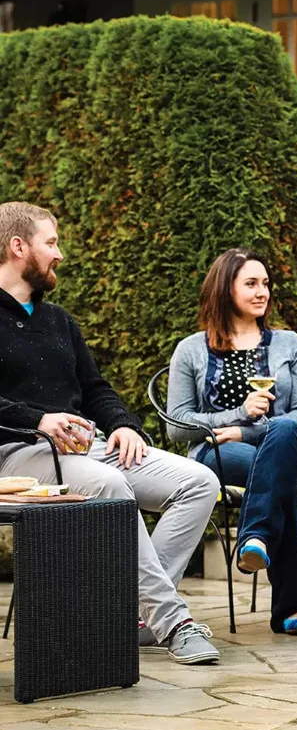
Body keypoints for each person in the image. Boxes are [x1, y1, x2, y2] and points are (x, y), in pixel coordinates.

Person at [0, 202, 220, 665]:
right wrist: (38, 420)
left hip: (87, 449)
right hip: (18, 454)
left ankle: (135, 616)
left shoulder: (59, 320)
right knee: (111, 485)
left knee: (199, 482)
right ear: (19, 247)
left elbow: (95, 387)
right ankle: (173, 621)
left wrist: (123, 424)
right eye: (51, 242)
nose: (59, 254)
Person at [166, 248, 297, 635]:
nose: (262, 292)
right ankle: (294, 607)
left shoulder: (290, 344)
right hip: (217, 454)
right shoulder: (191, 349)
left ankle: (255, 536)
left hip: (281, 445)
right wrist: (234, 417)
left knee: (283, 436)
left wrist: (246, 431)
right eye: (251, 283)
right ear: (224, 289)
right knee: (279, 478)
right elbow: (177, 425)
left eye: (265, 283)